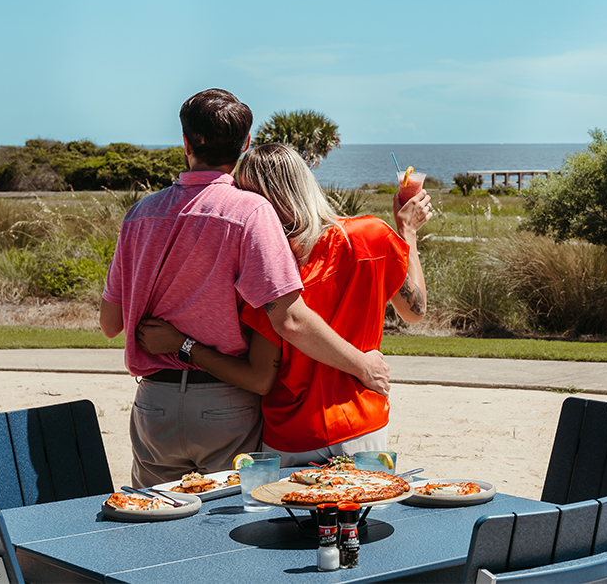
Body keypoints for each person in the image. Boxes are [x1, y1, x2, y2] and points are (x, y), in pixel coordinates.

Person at [100, 90, 390, 486]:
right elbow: (288, 317)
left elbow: (111, 323)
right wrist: (363, 365)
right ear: (246, 143)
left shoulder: (139, 215)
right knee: (229, 524)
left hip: (154, 402)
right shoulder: (251, 211)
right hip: (226, 398)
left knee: (155, 522)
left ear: (185, 142)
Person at [137, 142, 432, 466]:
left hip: (291, 435)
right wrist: (407, 233)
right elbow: (414, 312)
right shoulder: (371, 236)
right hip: (362, 422)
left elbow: (259, 377)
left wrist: (183, 345)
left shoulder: (268, 271)